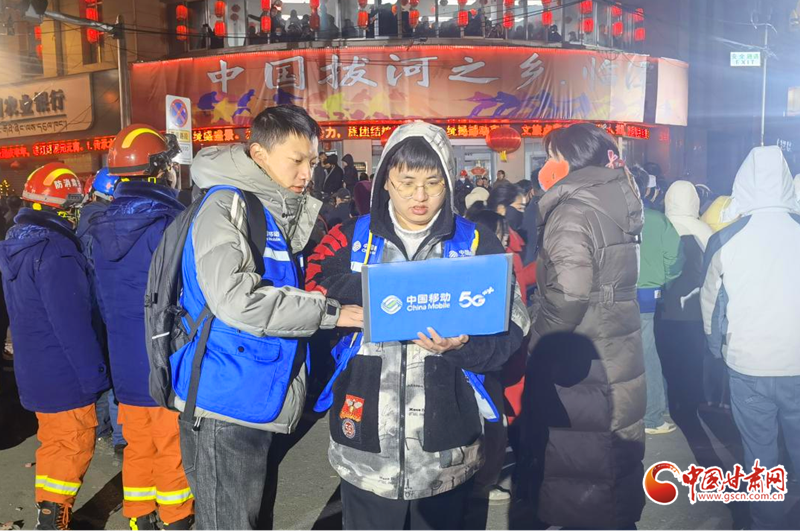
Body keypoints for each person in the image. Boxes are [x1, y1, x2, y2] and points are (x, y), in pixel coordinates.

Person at [306, 122, 529, 531]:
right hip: (365, 443)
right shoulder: (350, 237)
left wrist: (464, 345)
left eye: (432, 183)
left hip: (445, 449)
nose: (419, 196)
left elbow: (512, 326)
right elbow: (313, 285)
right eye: (406, 183)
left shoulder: (476, 244)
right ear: (385, 181)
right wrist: (382, 290)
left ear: (449, 182)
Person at [172, 105, 361, 530]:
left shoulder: (271, 208)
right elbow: (237, 301)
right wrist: (330, 313)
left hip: (259, 397)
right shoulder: (225, 206)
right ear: (259, 154)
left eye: (313, 161)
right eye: (297, 160)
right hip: (226, 403)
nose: (308, 173)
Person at [519, 123, 645, 531]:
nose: (546, 166)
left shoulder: (574, 210)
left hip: (581, 356)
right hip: (617, 343)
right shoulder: (617, 199)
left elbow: (570, 294)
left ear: (571, 162)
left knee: (584, 461)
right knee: (613, 455)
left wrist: (539, 341)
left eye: (552, 157)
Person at [89, 125, 193, 531]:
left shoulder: (98, 226)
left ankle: (138, 517)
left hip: (124, 358)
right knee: (171, 444)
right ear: (158, 170)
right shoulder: (171, 221)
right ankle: (176, 518)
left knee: (137, 444)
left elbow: (101, 301)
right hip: (164, 356)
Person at [0, 163, 110, 531]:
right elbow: (72, 323)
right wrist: (95, 375)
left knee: (53, 444)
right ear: (64, 208)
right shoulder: (56, 250)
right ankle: (53, 520)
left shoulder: (16, 244)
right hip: (64, 373)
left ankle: (48, 511)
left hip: (33, 369)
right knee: (73, 443)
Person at [702, 146, 800, 531]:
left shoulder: (726, 238)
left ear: (742, 181)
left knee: (760, 457)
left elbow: (711, 304)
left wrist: (715, 349)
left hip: (747, 363)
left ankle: (768, 524)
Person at [76, 169, 127, 463]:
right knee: (115, 370)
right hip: (106, 308)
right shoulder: (103, 225)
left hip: (93, 308)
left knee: (106, 368)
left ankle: (104, 428)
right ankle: (119, 436)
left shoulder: (86, 221)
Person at [630, 165, 680, 436]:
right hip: (648, 294)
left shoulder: (611, 218)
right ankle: (652, 416)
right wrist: (664, 280)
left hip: (615, 294)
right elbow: (675, 258)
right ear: (646, 190)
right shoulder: (656, 220)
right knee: (648, 354)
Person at [659, 181, 714, 417]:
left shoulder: (661, 226)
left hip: (663, 307)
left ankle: (670, 402)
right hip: (695, 308)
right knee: (693, 358)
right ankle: (691, 403)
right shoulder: (705, 230)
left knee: (666, 358)